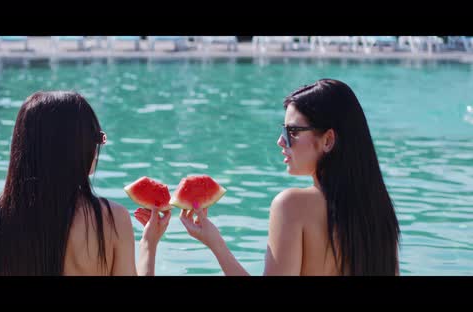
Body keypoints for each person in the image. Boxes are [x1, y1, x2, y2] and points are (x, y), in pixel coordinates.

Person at [140, 79, 400, 275]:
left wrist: (212, 246)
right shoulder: (380, 210)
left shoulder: (292, 205)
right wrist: (215, 241)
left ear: (328, 140)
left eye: (292, 131)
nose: (281, 141)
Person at [0, 91, 171, 276]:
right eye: (97, 138)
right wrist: (148, 244)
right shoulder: (112, 219)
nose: (97, 146)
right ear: (78, 147)